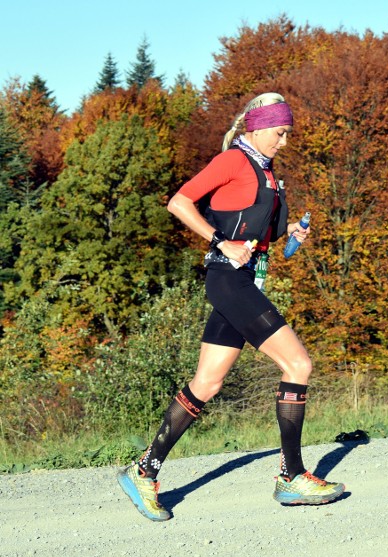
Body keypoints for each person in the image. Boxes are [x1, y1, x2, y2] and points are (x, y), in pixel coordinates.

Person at [117, 92, 344, 522]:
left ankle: (143, 471)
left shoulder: (268, 173)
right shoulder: (234, 161)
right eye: (280, 133)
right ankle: (291, 477)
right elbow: (179, 202)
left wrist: (292, 231)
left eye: (287, 134)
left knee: (207, 383)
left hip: (243, 279)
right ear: (257, 128)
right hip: (227, 278)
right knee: (298, 365)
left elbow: (268, 237)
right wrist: (220, 240)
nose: (284, 141)